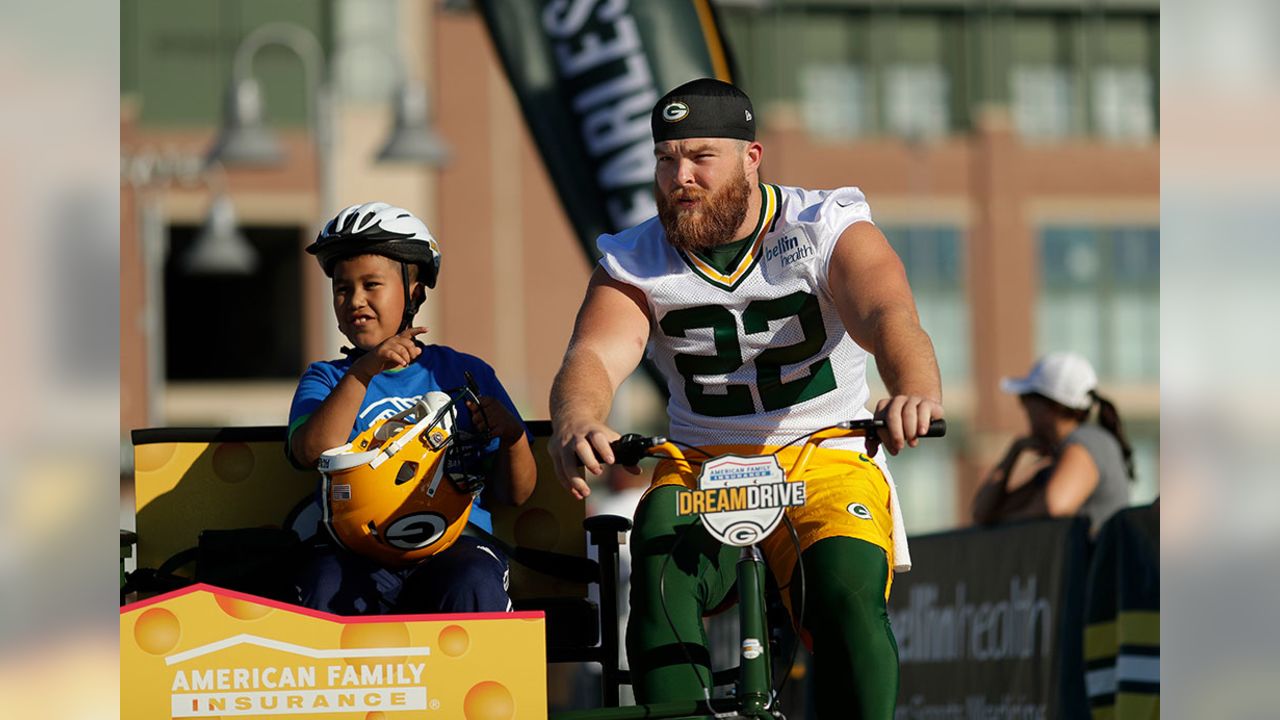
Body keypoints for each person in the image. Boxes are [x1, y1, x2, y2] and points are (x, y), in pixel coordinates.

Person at [548, 78, 944, 719]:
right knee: (658, 565)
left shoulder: (825, 225)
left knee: (847, 596)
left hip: (824, 449)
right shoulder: (634, 258)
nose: (681, 176)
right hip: (700, 456)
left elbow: (888, 312)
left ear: (751, 157)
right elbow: (593, 355)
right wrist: (578, 419)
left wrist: (915, 391)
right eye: (666, 158)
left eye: (701, 155)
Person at [287, 201, 536, 615]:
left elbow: (516, 494)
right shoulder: (326, 379)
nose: (354, 300)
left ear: (415, 291)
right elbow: (309, 451)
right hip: (350, 550)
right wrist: (363, 373)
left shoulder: (465, 372)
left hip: (456, 544)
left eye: (371, 285)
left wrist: (511, 436)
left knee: (472, 583)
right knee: (322, 586)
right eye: (342, 289)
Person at [972, 351, 1133, 534]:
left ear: (1050, 407)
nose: (1023, 408)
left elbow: (1054, 505)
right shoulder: (1055, 467)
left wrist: (1004, 525)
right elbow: (982, 514)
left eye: (1026, 399)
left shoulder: (1087, 441)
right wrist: (1013, 453)